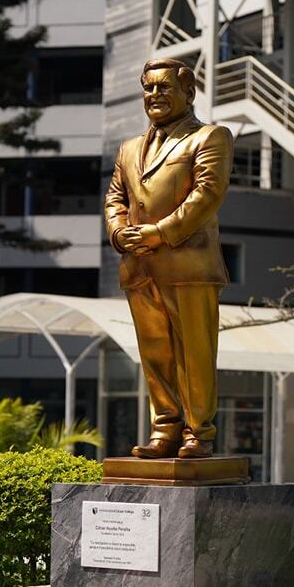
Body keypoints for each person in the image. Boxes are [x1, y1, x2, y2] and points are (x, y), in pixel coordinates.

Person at [103, 58, 233, 459]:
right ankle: (165, 429)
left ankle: (199, 433)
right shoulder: (127, 149)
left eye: (164, 87)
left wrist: (159, 233)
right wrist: (118, 231)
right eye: (149, 88)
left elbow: (207, 196)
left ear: (188, 93)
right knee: (155, 352)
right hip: (139, 266)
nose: (155, 95)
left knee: (194, 351)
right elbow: (115, 197)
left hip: (188, 266)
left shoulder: (210, 137)